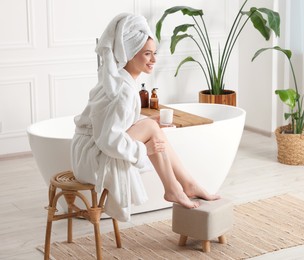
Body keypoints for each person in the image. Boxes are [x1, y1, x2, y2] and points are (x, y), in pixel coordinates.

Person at [71, 13, 219, 222]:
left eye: (154, 53)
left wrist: (147, 125)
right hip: (92, 158)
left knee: (152, 127)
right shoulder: (122, 90)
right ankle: (177, 187)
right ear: (130, 53)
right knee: (150, 127)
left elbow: (114, 122)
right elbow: (108, 139)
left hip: (85, 150)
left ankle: (184, 185)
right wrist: (143, 149)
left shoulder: (118, 81)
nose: (154, 60)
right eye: (147, 54)